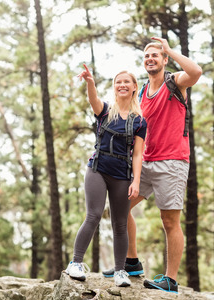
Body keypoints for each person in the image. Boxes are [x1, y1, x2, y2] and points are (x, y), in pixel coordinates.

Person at [103, 37, 202, 293]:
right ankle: (132, 262)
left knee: (169, 221)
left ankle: (170, 280)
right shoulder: (143, 92)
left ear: (164, 59)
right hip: (146, 161)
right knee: (120, 206)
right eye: (147, 56)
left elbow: (196, 72)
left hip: (172, 161)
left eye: (156, 55)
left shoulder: (175, 82)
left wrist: (170, 49)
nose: (150, 58)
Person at [65, 64, 147, 288]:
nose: (122, 85)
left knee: (120, 224)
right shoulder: (105, 110)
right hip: (98, 169)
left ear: (133, 88)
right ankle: (76, 263)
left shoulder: (139, 121)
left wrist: (137, 181)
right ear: (114, 87)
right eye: (118, 82)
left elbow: (138, 154)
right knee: (93, 215)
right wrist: (90, 83)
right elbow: (93, 101)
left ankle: (121, 271)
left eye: (126, 82)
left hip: (122, 174)